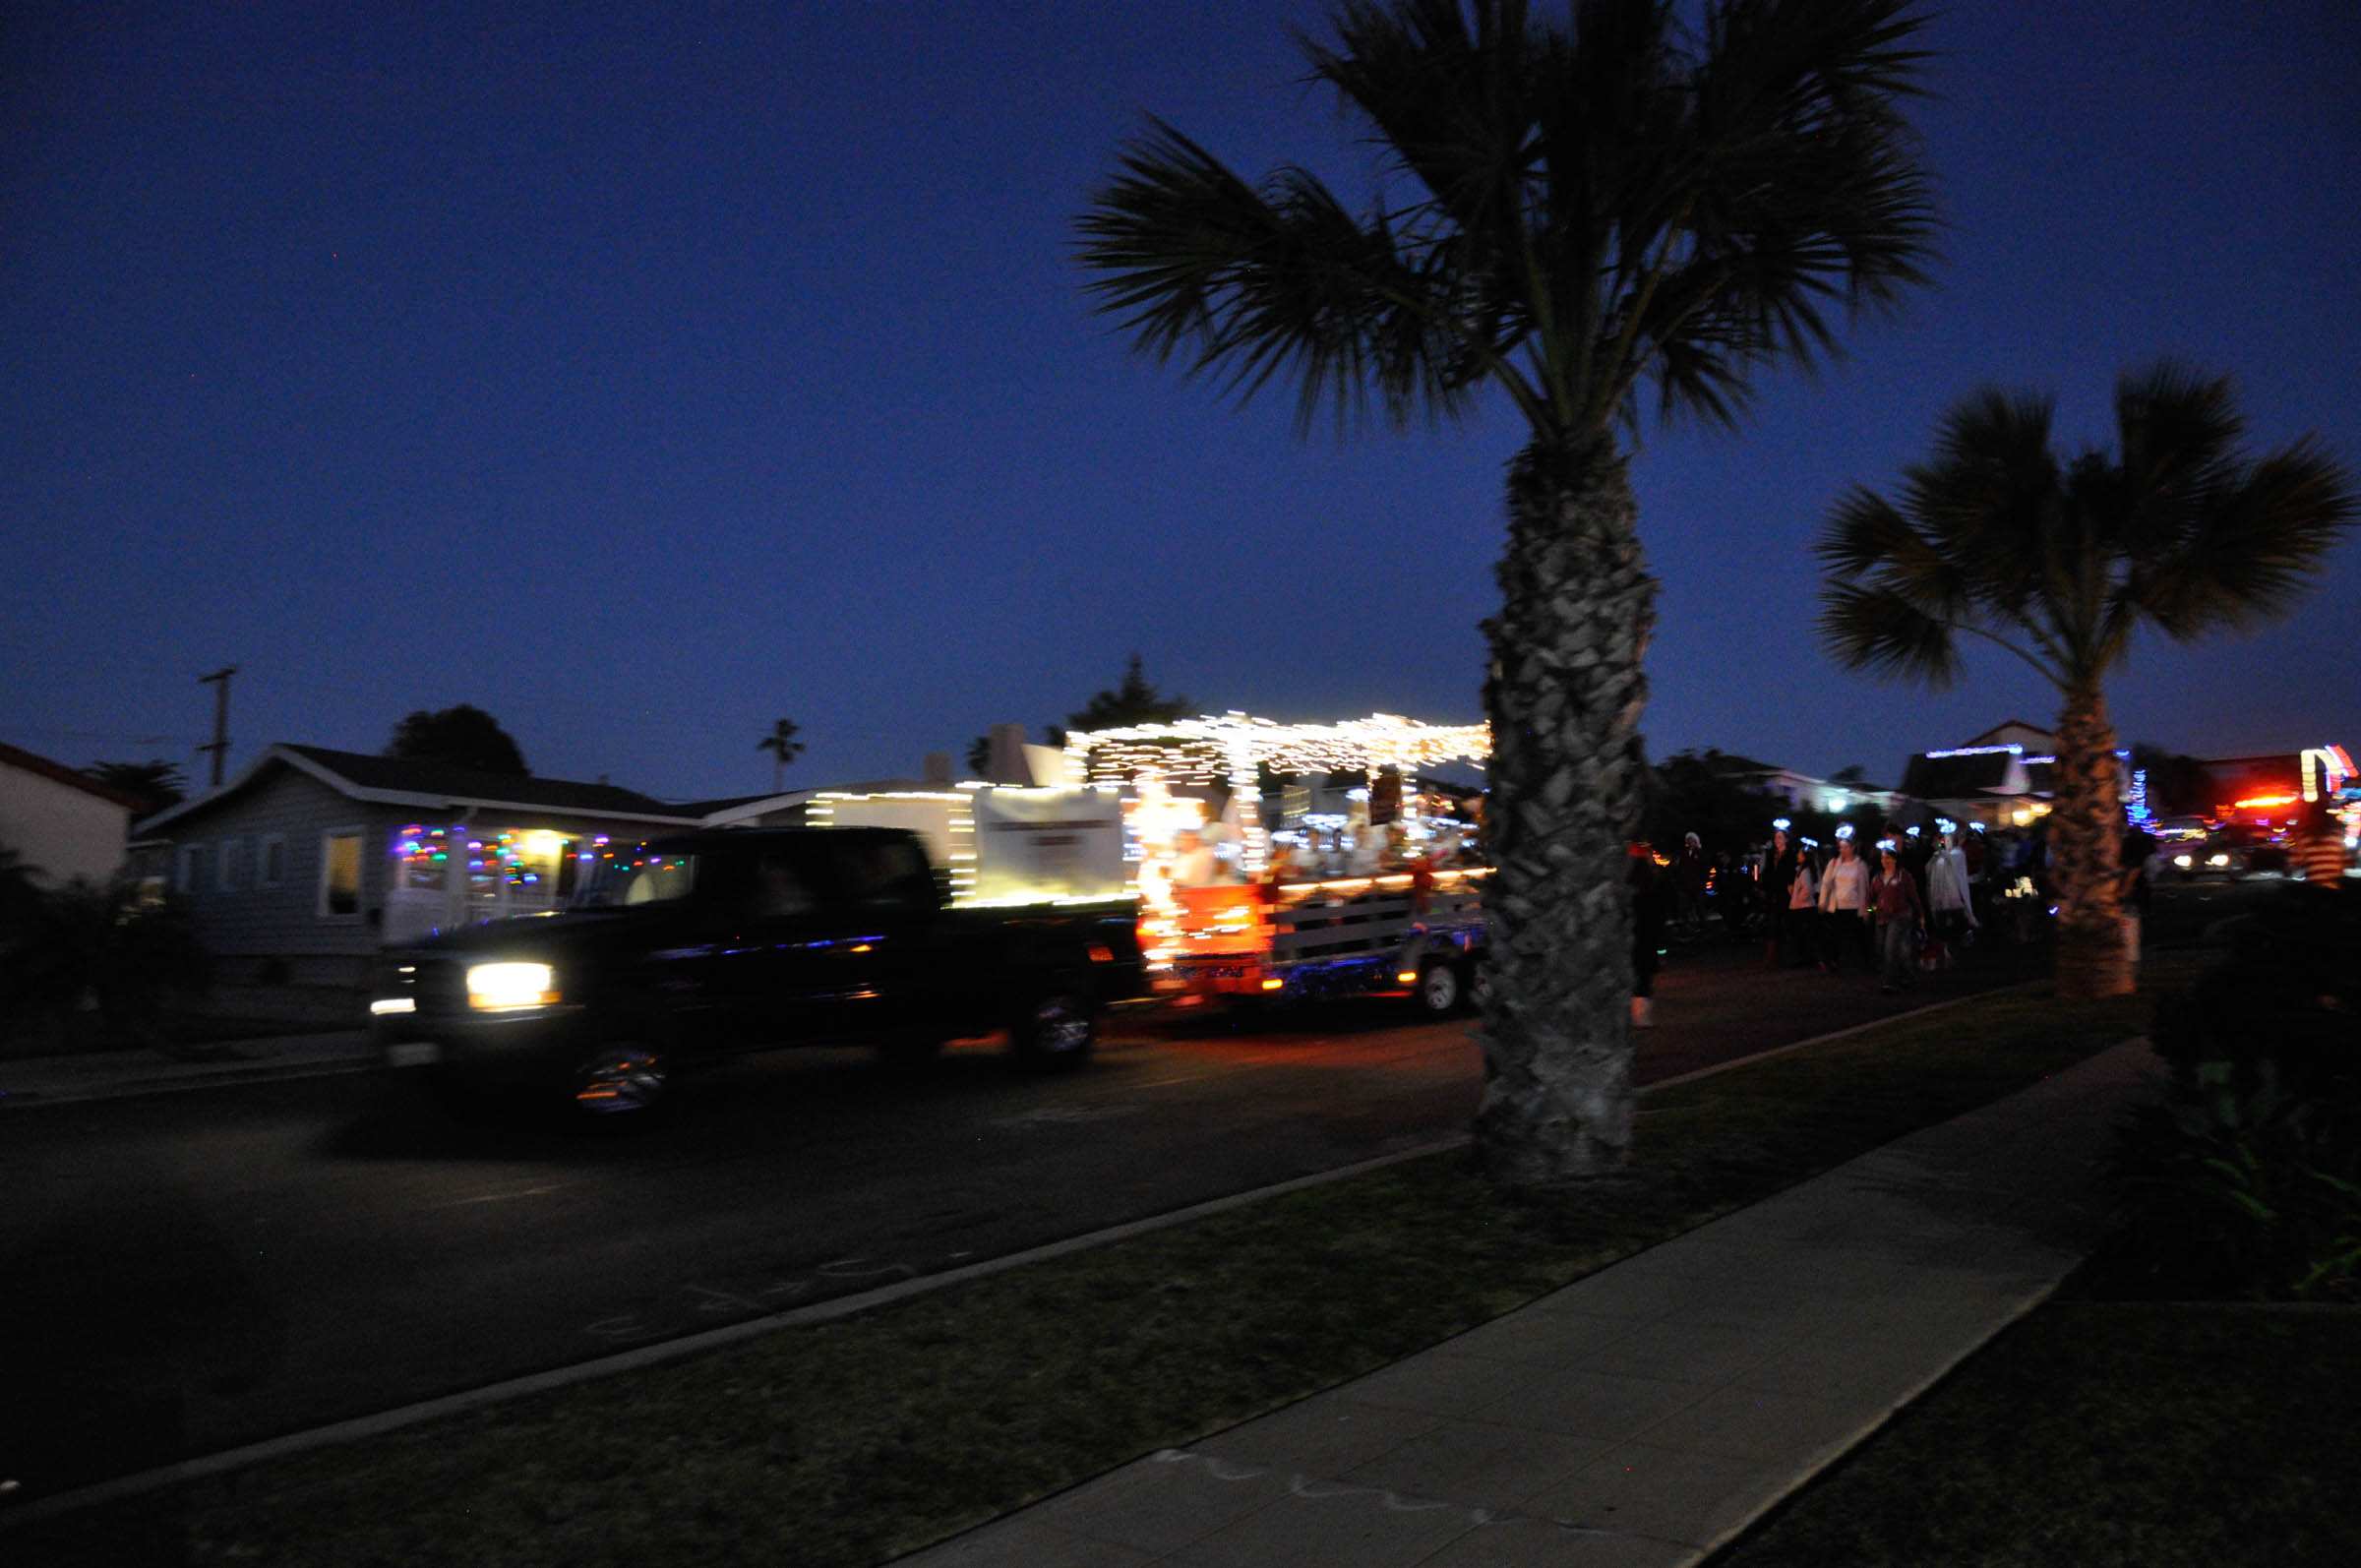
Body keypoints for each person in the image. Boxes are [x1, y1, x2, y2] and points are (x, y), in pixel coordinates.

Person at [1869, 843, 1925, 993]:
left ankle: (1889, 982)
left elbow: (1913, 896)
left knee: (1890, 947)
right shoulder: (1877, 878)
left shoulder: (1903, 876)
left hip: (1900, 916)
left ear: (1894, 860)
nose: (1885, 861)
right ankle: (1908, 976)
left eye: (1888, 858)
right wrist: (1872, 909)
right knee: (1891, 948)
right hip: (1882, 918)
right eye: (1883, 858)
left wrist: (1920, 915)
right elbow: (1872, 898)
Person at [1628, 842, 1671, 1027]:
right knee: (1644, 978)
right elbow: (1659, 920)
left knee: (1632, 976)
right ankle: (1641, 1016)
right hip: (1647, 938)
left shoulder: (1627, 888)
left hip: (1630, 938)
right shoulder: (1653, 888)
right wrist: (1661, 951)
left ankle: (1633, 1013)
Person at [1817, 834, 1872, 971]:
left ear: (1853, 848)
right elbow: (1826, 883)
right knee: (1834, 935)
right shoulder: (1834, 863)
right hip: (1837, 906)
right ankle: (1832, 961)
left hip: (1854, 906)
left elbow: (1864, 888)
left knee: (1860, 936)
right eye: (1841, 847)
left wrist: (1865, 910)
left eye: (1846, 847)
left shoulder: (1860, 865)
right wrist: (1823, 902)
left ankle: (1867, 961)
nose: (1843, 850)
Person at [1923, 829, 1977, 968]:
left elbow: (1952, 861)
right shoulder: (1938, 857)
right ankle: (1947, 955)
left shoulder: (1957, 854)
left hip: (1954, 899)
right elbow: (1929, 869)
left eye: (1948, 839)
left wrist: (1939, 852)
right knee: (1943, 929)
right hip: (1940, 899)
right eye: (1944, 840)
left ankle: (1960, 954)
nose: (1946, 842)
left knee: (1958, 927)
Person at [1761, 827, 1800, 967]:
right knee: (1773, 924)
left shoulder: (1791, 855)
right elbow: (1767, 872)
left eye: (1780, 837)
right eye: (1776, 837)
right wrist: (1764, 886)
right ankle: (1772, 957)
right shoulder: (1772, 855)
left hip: (1785, 893)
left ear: (1786, 839)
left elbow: (1791, 873)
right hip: (1774, 893)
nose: (1777, 840)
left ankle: (1790, 956)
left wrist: (1790, 885)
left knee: (1787, 924)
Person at [2294, 800, 2348, 886]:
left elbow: (2296, 861)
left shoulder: (2304, 837)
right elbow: (2346, 860)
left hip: (2315, 886)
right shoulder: (2336, 835)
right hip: (2335, 886)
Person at [1786, 842, 1818, 966]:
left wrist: (1797, 899)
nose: (1797, 855)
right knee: (1803, 934)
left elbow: (1807, 890)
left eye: (1799, 853)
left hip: (1803, 908)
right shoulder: (1802, 870)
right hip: (1802, 906)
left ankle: (1804, 958)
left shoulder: (1804, 872)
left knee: (1801, 934)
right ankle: (1805, 958)